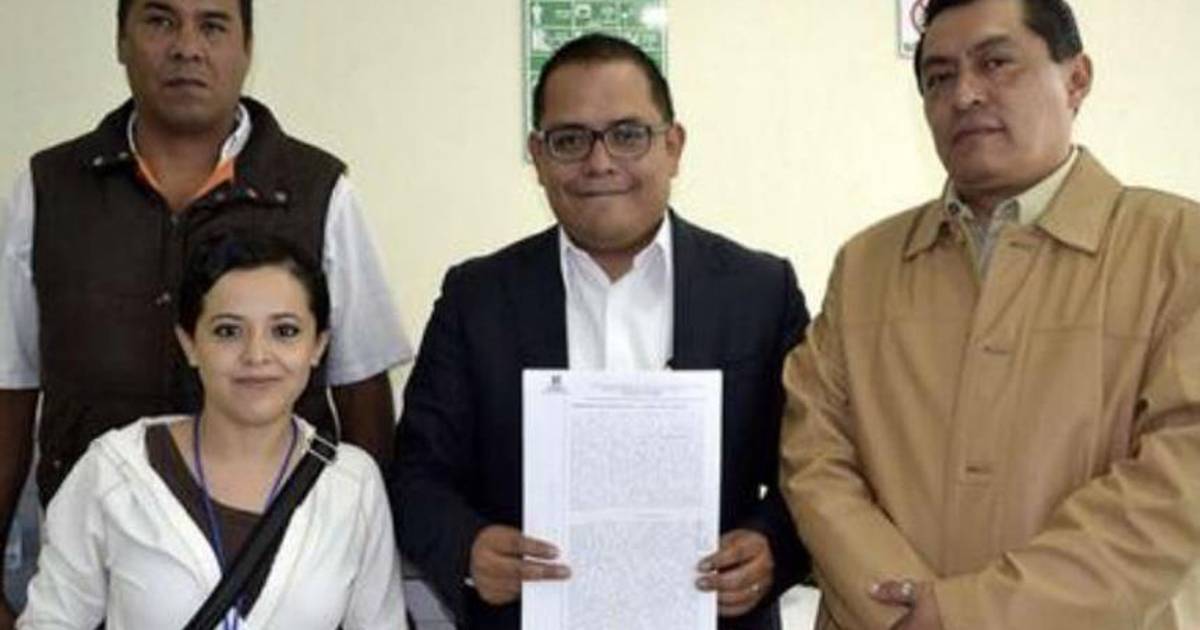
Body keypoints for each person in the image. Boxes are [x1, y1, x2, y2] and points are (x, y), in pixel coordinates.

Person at [779, 0, 1200, 628]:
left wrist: (968, 614)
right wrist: (903, 611)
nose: (965, 94)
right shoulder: (865, 265)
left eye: (996, 63)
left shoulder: (1177, 248)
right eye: (939, 77)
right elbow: (814, 458)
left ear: (1076, 78)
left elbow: (1177, 486)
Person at [0, 1, 411, 621]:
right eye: (160, 21)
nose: (187, 47)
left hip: (292, 565)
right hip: (92, 566)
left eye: (213, 25)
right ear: (121, 40)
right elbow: (9, 388)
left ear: (247, 47)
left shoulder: (318, 189)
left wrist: (360, 543)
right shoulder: (48, 189)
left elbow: (363, 395)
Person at [392, 33, 810, 630]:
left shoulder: (760, 292)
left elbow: (814, 467)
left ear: (673, 146)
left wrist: (773, 549)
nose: (600, 162)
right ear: (538, 157)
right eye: (570, 140)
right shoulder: (476, 298)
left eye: (628, 134)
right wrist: (468, 548)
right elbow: (416, 475)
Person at [17, 232, 406, 629]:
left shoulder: (351, 484)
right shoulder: (114, 472)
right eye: (228, 331)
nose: (256, 355)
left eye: (285, 331)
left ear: (318, 346)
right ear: (189, 344)